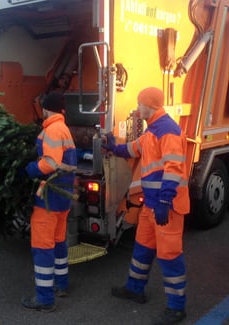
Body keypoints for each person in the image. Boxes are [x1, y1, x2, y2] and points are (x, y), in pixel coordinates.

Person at [103, 87, 189, 324]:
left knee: (170, 256)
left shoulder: (168, 131)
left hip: (167, 207)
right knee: (142, 249)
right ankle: (134, 289)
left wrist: (164, 200)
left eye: (140, 103)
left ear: (150, 105)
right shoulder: (152, 131)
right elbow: (134, 149)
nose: (137, 107)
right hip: (152, 206)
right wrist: (114, 147)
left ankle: (176, 308)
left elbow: (174, 168)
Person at [21, 92, 77, 312]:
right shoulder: (63, 128)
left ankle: (44, 300)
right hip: (62, 196)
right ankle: (61, 285)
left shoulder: (52, 129)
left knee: (42, 247)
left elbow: (50, 163)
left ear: (45, 109)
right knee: (58, 242)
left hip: (49, 198)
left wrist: (29, 169)